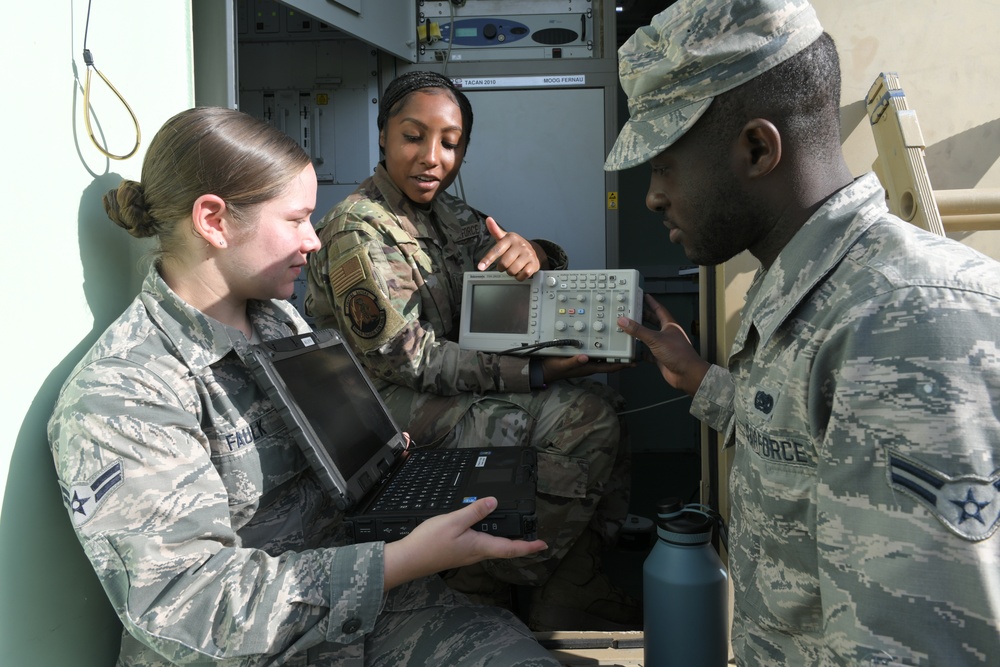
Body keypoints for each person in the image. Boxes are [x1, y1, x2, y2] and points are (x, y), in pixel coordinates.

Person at [47, 106, 563, 667]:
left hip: (363, 603)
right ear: (214, 221)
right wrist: (401, 561)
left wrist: (389, 465)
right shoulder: (125, 394)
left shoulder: (278, 321)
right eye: (295, 220)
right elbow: (190, 605)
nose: (314, 242)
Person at [606, 0, 1000, 664]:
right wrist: (700, 379)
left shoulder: (906, 321)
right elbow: (804, 444)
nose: (652, 196)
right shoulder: (810, 291)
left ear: (758, 148)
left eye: (665, 163)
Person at [305, 70, 639, 632]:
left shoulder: (449, 216)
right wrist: (531, 375)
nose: (431, 157)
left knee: (602, 406)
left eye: (450, 143)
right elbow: (407, 359)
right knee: (552, 422)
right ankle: (504, 573)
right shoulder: (357, 229)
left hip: (443, 381)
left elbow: (519, 271)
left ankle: (572, 568)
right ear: (383, 134)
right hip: (382, 401)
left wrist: (535, 253)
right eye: (413, 136)